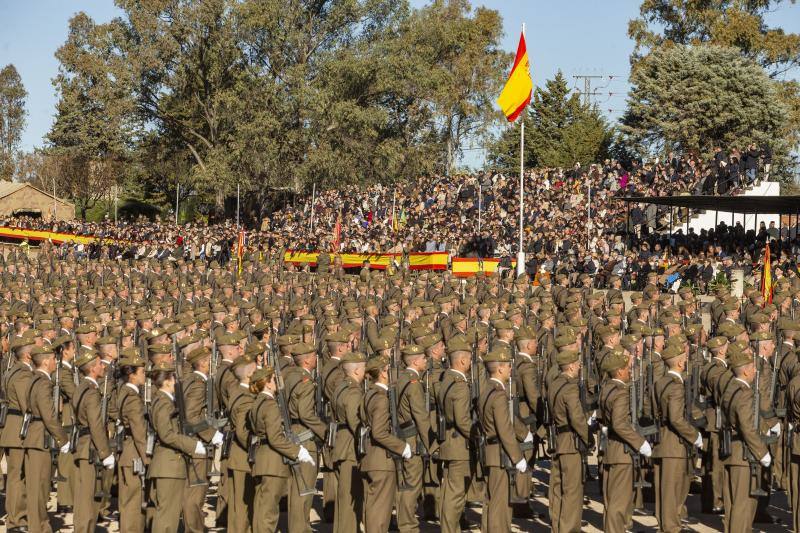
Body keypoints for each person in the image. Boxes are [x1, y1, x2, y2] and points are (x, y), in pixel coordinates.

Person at [148, 361, 207, 533]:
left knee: (169, 516)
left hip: (171, 465)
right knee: (167, 517)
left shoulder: (163, 400)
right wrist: (193, 445)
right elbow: (166, 434)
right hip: (169, 465)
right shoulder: (164, 403)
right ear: (166, 381)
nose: (175, 381)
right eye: (173, 377)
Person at [598, 349, 650, 533]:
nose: (630, 370)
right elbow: (619, 424)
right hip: (621, 452)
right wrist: (640, 443)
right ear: (619, 371)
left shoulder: (607, 387)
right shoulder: (621, 392)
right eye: (627, 368)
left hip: (611, 449)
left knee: (611, 500)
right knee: (618, 503)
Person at [652, 344, 702, 533]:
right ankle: (671, 528)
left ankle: (665, 525)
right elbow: (676, 419)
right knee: (673, 491)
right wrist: (694, 436)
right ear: (681, 362)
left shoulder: (660, 382)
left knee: (664, 491)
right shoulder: (676, 386)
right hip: (674, 445)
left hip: (661, 442)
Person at [478, 348, 529, 532]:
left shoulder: (486, 391)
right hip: (500, 454)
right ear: (499, 369)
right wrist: (518, 458)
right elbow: (505, 430)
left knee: (491, 501)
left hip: (490, 453)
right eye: (508, 365)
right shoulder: (499, 395)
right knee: (500, 504)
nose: (510, 369)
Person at [720, 347, 771, 532]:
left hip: (730, 452)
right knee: (743, 507)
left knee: (733, 505)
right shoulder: (745, 393)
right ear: (746, 370)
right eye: (753, 367)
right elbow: (747, 427)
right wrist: (762, 452)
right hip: (743, 455)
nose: (755, 371)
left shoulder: (730, 388)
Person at [360, 355, 412, 532]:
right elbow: (379, 432)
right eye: (389, 370)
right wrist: (402, 447)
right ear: (383, 373)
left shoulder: (369, 394)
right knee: (380, 514)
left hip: (370, 458)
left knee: (373, 509)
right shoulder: (381, 398)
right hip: (381, 461)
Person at [23, 345, 69, 533]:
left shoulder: (35, 379)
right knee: (39, 489)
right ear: (45, 361)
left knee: (38, 488)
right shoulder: (42, 383)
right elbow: (49, 416)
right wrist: (62, 439)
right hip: (39, 438)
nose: (55, 362)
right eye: (52, 359)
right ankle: (39, 527)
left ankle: (41, 526)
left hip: (35, 436)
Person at [547, 348, 592, 533]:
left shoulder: (554, 384)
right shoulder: (570, 388)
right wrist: (588, 438)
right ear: (572, 366)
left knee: (557, 490)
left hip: (558, 440)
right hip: (571, 443)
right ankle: (569, 529)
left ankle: (557, 527)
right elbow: (577, 419)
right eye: (578, 365)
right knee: (572, 491)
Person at [72, 347, 115, 533]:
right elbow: (96, 425)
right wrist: (105, 453)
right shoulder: (91, 393)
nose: (102, 366)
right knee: (87, 497)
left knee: (86, 495)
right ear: (91, 369)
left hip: (83, 445)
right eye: (99, 364)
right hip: (90, 447)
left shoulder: (82, 387)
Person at [330, 351, 367, 532]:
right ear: (357, 371)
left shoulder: (340, 386)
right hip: (349, 448)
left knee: (344, 497)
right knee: (350, 500)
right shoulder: (353, 391)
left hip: (340, 444)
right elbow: (356, 423)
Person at [116, 350, 149, 533]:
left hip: (128, 451)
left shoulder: (125, 392)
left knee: (129, 501)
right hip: (134, 454)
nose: (144, 375)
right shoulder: (132, 398)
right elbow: (139, 433)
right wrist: (147, 459)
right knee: (133, 504)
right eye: (142, 372)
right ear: (132, 374)